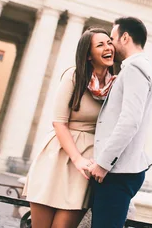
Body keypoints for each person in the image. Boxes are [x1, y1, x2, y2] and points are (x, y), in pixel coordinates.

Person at [24, 28, 116, 228]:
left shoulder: (115, 83)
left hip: (87, 162)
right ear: (89, 55)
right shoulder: (74, 76)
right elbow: (59, 122)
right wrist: (77, 159)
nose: (108, 47)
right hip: (59, 155)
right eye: (100, 45)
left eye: (109, 42)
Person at [87, 17, 152, 228]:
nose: (110, 45)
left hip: (117, 172)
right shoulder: (140, 67)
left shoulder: (135, 69)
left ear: (125, 37)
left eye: (112, 38)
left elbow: (129, 121)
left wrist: (103, 163)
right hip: (121, 170)